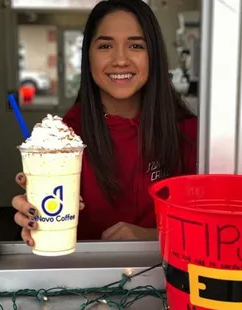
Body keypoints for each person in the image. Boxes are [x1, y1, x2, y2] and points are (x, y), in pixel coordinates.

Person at [12, 0, 197, 246]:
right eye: (106, 45)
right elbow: (49, 216)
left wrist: (154, 236)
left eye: (136, 45)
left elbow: (214, 229)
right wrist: (35, 219)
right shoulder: (64, 137)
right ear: (88, 57)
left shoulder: (188, 132)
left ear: (154, 56)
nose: (120, 60)